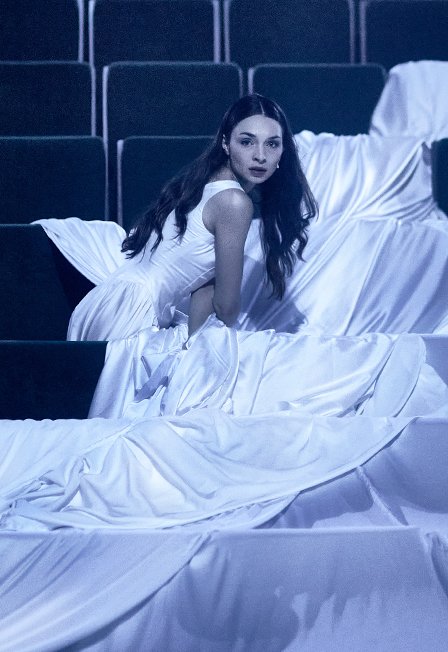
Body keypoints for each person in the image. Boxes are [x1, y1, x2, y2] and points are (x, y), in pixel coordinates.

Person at [67, 94, 317, 342]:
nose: (260, 155)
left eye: (272, 144)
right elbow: (226, 306)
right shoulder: (234, 202)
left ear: (283, 151)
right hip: (130, 317)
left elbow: (205, 291)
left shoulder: (202, 184)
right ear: (226, 144)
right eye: (247, 142)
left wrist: (193, 348)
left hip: (105, 303)